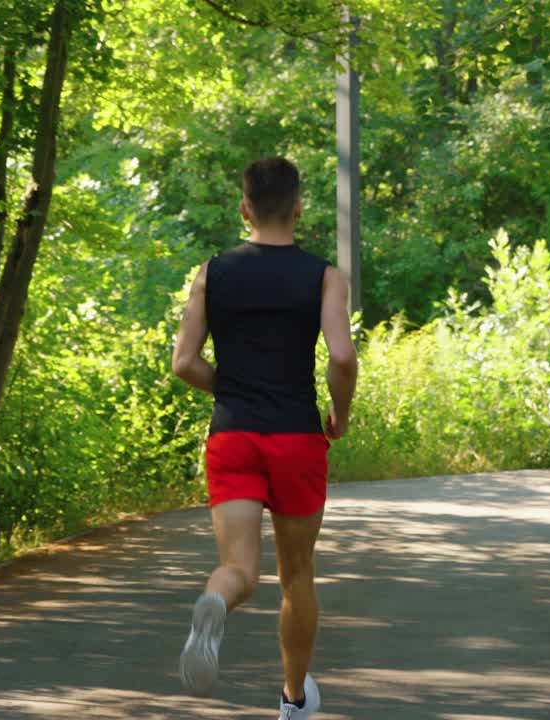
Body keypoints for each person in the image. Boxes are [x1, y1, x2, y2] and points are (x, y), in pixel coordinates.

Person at [171, 156, 358, 719]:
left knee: (240, 570)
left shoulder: (212, 273)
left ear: (243, 209)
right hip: (297, 437)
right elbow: (342, 356)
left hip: (234, 435)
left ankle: (215, 602)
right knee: (296, 575)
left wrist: (232, 389)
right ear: (298, 208)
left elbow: (183, 362)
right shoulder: (324, 276)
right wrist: (340, 414)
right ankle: (293, 700)